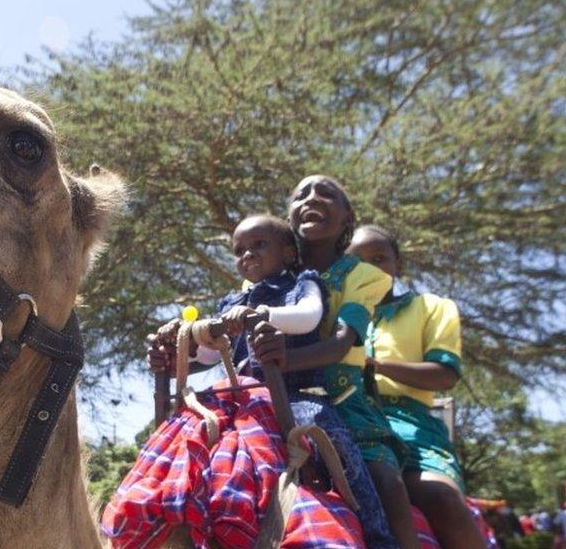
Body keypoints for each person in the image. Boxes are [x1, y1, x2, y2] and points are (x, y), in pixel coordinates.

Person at [149, 213, 400, 549]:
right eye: (239, 251)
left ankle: (376, 531)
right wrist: (183, 348)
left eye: (258, 245)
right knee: (187, 432)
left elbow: (308, 316)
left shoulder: (302, 285)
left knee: (329, 433)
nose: (247, 255)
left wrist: (261, 315)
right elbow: (212, 355)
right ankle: (168, 510)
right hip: (242, 398)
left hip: (292, 393)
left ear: (287, 254)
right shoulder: (231, 303)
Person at [248, 175, 419, 548]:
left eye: (326, 193)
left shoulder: (364, 277)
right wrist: (187, 351)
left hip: (345, 406)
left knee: (383, 478)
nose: (312, 198)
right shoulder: (268, 278)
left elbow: (341, 343)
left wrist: (279, 361)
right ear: (290, 217)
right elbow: (231, 338)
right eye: (301, 194)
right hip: (274, 400)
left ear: (346, 219)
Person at [348, 224, 488, 549]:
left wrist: (375, 366)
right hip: (347, 416)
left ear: (400, 265)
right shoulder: (332, 313)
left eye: (379, 258)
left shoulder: (433, 307)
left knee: (440, 497)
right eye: (357, 260)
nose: (369, 268)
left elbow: (444, 374)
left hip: (410, 424)